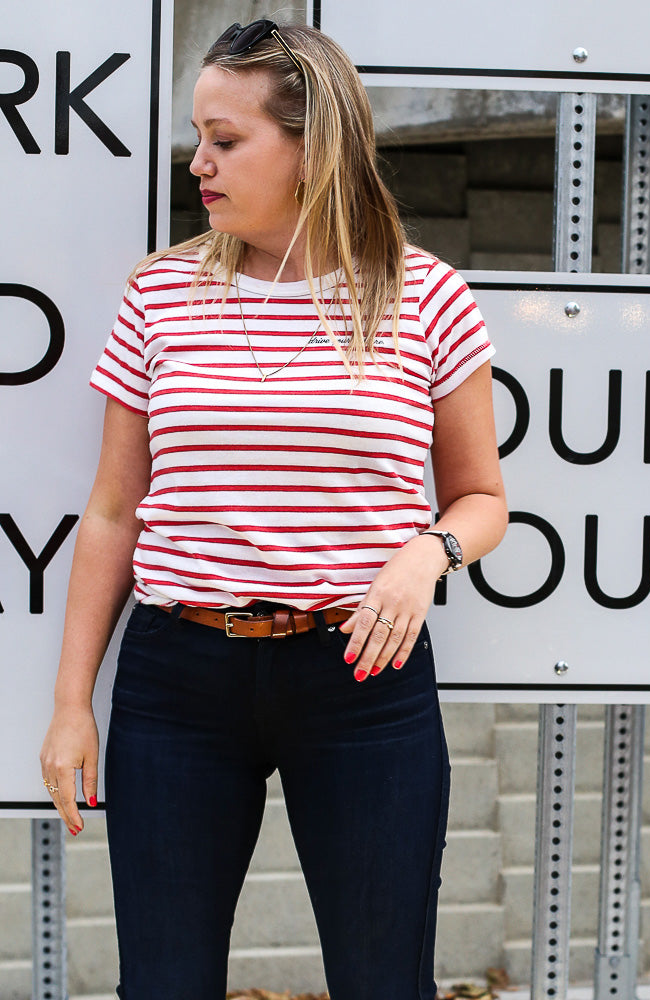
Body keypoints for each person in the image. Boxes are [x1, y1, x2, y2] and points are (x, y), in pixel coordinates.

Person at [38, 19, 506, 1000]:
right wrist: (72, 702)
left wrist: (424, 555)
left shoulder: (423, 296)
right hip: (178, 683)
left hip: (360, 680)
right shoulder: (160, 294)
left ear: (312, 146)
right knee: (161, 986)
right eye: (198, 137)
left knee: (385, 983)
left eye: (226, 138)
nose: (198, 162)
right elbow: (117, 509)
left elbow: (480, 498)